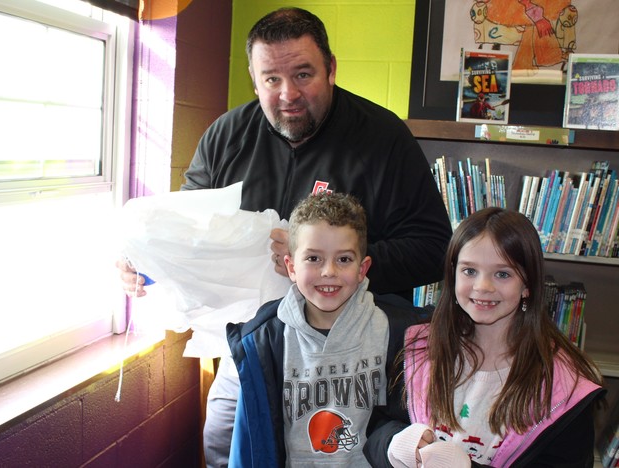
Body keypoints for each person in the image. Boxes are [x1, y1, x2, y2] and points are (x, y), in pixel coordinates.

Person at [117, 7, 452, 466]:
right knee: (224, 446)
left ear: (331, 68)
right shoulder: (227, 136)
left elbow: (435, 248)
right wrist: (149, 265)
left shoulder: (384, 138)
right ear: (254, 79)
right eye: (271, 79)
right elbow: (184, 234)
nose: (288, 94)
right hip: (254, 350)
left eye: (303, 74)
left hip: (354, 356)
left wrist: (331, 263)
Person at [365, 207, 605, 467]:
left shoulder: (563, 386)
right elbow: (374, 426)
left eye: (502, 274)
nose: (482, 287)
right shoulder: (416, 348)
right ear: (453, 274)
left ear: (527, 286)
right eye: (469, 271)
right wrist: (394, 442)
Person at [227, 192, 422, 467]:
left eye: (343, 259)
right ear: (291, 267)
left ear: (362, 268)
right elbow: (251, 441)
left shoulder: (400, 332)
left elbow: (405, 421)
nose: (328, 271)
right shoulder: (263, 341)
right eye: (314, 259)